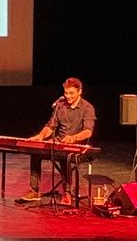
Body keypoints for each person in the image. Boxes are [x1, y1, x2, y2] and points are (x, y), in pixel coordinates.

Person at [18, 77, 95, 205]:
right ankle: (34, 191)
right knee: (36, 151)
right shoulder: (60, 105)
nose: (68, 96)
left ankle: (67, 193)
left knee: (66, 156)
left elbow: (88, 131)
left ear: (80, 91)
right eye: (66, 93)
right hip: (59, 141)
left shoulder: (87, 108)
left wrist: (73, 138)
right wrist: (41, 136)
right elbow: (50, 126)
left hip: (77, 145)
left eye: (71, 93)